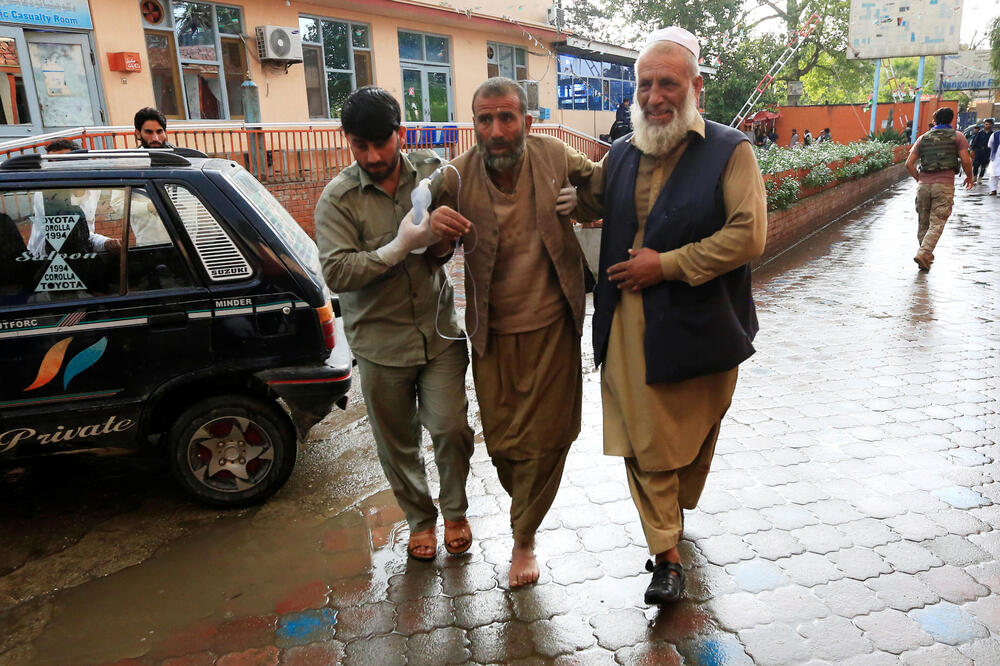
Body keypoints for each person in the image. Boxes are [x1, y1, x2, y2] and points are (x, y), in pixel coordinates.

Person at [590, 26, 766, 605]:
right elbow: (581, 191)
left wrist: (664, 265)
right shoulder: (620, 153)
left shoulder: (730, 150)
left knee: (693, 435)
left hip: (706, 323)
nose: (654, 95)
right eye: (645, 83)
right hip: (630, 322)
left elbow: (748, 235)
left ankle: (673, 513)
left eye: (668, 83)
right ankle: (665, 554)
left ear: (695, 89)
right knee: (646, 442)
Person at [428, 76, 599, 588]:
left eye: (507, 118)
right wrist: (435, 232)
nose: (497, 130)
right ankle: (521, 511)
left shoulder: (555, 155)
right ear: (474, 124)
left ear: (528, 121)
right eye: (485, 119)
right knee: (503, 444)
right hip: (492, 334)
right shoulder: (454, 178)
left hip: (554, 326)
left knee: (548, 439)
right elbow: (428, 250)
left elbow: (605, 187)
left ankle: (523, 539)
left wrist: (581, 205)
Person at [314, 86, 476, 561]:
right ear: (348, 141)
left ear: (399, 135)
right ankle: (420, 520)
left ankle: (456, 511)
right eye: (360, 146)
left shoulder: (433, 173)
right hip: (378, 341)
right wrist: (400, 245)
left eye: (381, 143)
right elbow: (338, 272)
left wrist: (443, 239)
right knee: (398, 443)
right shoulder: (337, 200)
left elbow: (456, 238)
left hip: (439, 331)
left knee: (450, 429)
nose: (372, 155)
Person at [904, 106, 974, 271]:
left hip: (923, 186)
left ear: (935, 120)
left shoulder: (923, 138)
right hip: (944, 185)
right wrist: (969, 176)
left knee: (923, 222)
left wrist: (920, 179)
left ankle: (925, 257)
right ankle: (924, 252)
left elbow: (909, 164)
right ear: (951, 119)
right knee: (937, 222)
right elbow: (965, 160)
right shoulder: (958, 137)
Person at [970, 119, 993, 184]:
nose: (987, 125)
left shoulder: (992, 134)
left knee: (983, 165)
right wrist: (972, 149)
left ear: (991, 125)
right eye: (986, 124)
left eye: (988, 124)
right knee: (976, 165)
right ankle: (974, 177)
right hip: (978, 151)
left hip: (987, 151)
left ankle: (980, 178)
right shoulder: (980, 133)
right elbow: (975, 142)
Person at [988, 125, 1000, 196]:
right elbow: (990, 144)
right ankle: (993, 190)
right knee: (993, 174)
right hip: (995, 157)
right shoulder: (995, 134)